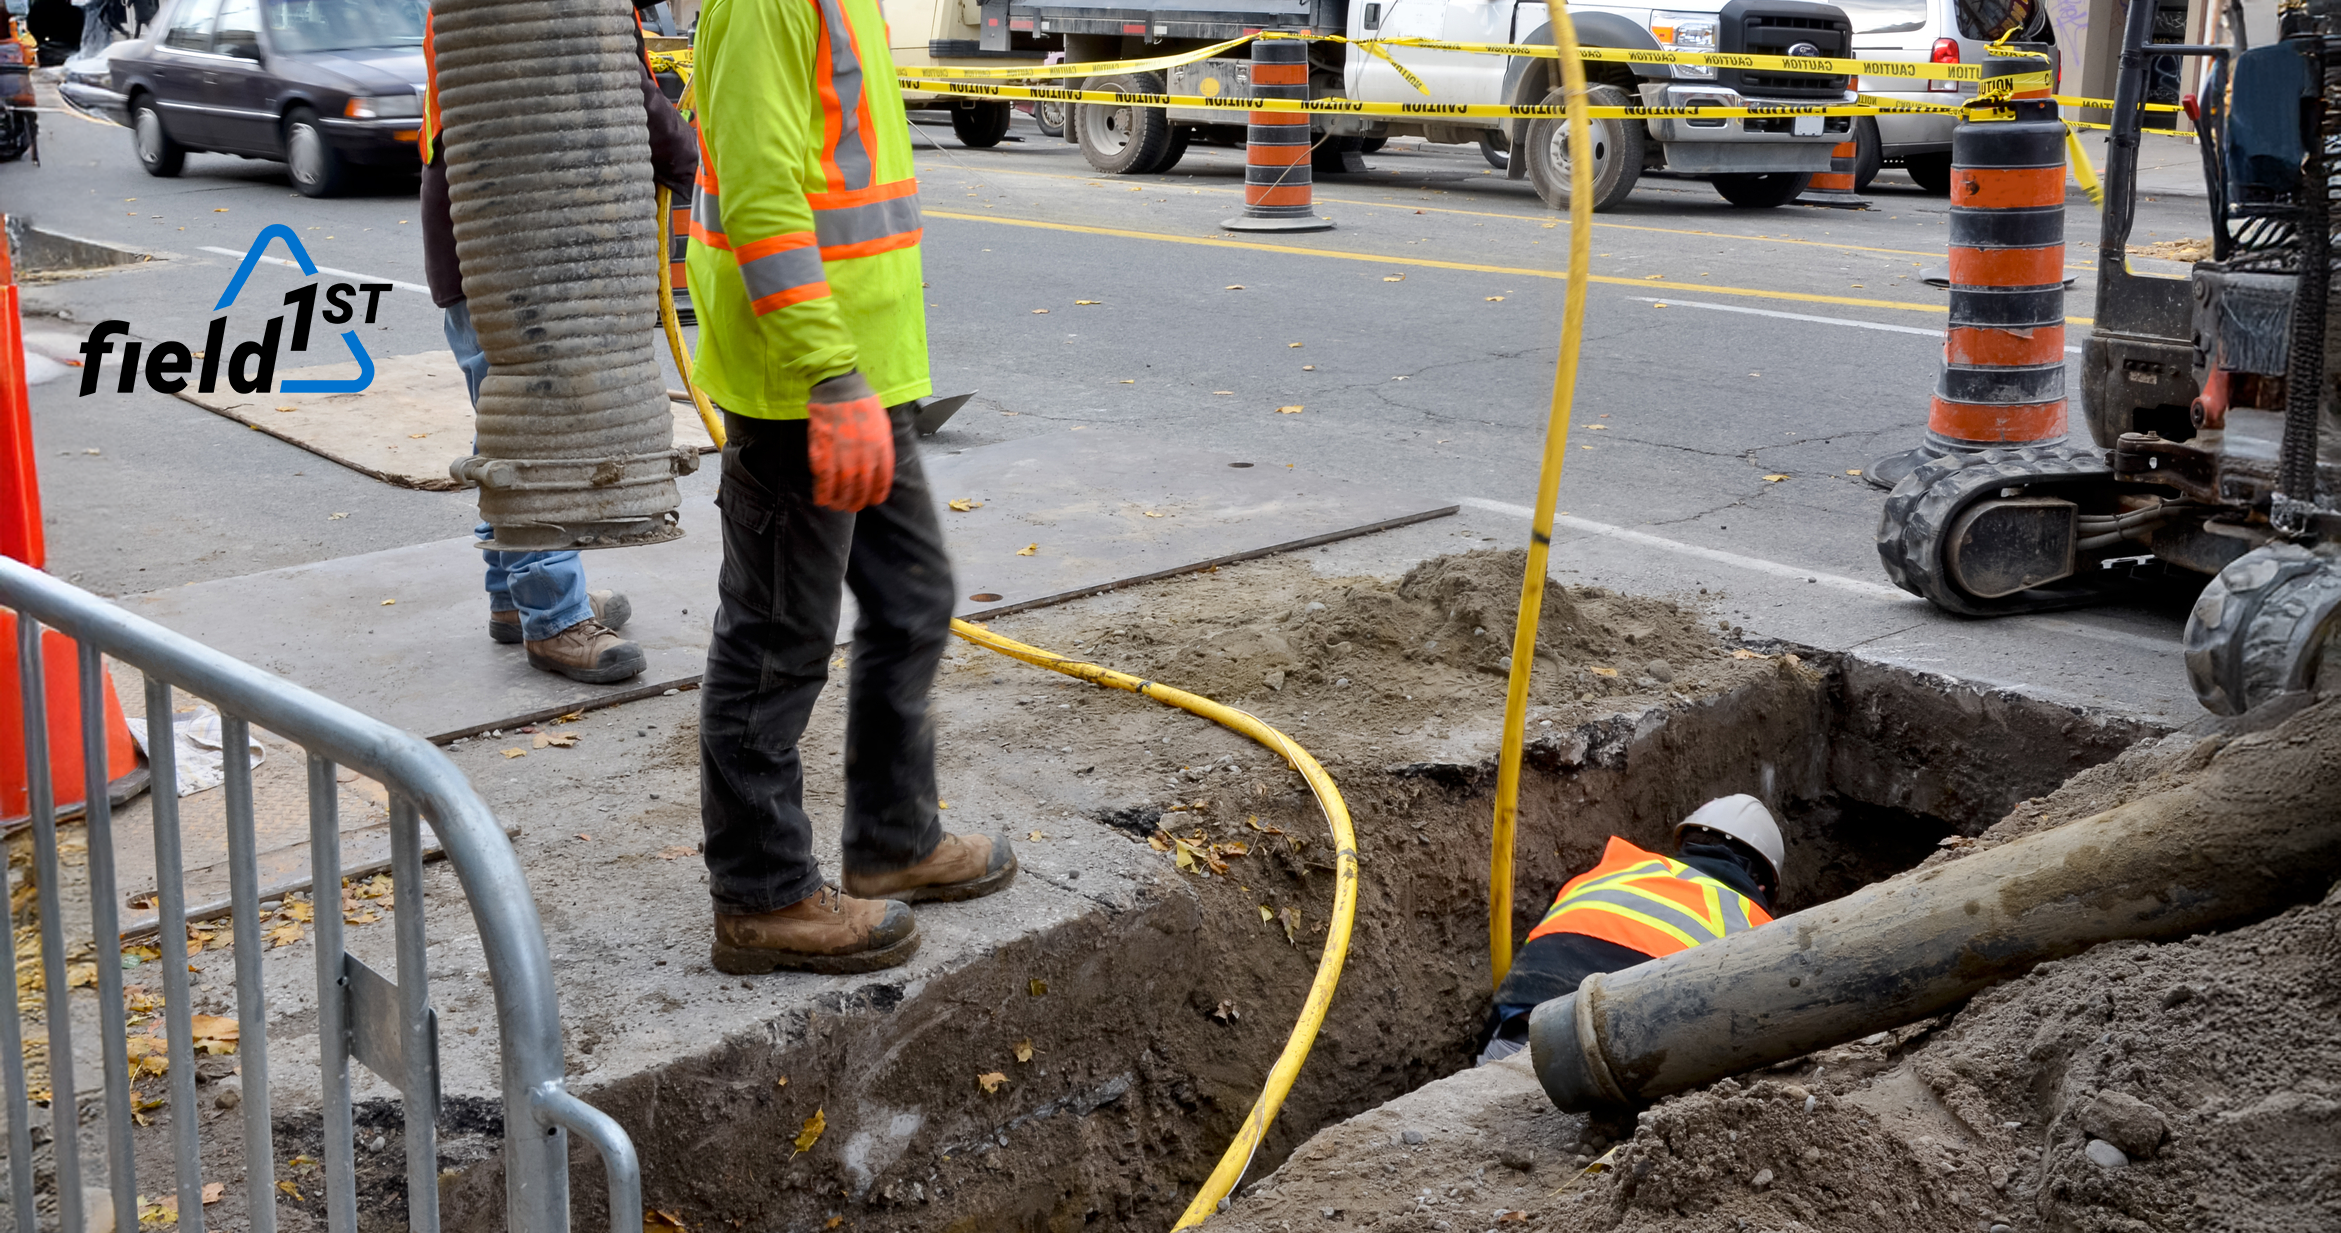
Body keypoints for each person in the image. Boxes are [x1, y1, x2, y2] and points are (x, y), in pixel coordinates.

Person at [686, 0, 1014, 976]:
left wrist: (859, 379)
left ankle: (892, 841)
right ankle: (762, 895)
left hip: (866, 379)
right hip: (805, 384)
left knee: (913, 601)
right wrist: (828, 374)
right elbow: (761, 198)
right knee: (775, 641)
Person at [417, 0, 695, 683]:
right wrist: (680, 150)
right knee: (534, 435)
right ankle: (556, 622)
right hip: (518, 255)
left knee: (504, 429)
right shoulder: (561, 10)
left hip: (485, 239)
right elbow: (603, 89)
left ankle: (518, 602)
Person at [1478, 794, 1783, 1064]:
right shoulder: (1756, 926)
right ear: (1761, 887)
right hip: (1613, 1066)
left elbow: (1531, 961)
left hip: (1513, 1040)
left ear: (1688, 847)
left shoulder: (1608, 872)